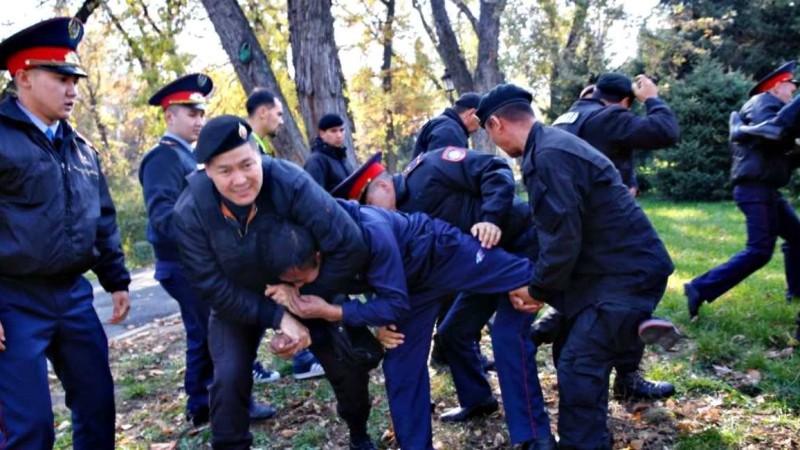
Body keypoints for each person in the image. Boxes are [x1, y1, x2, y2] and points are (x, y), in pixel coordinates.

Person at [263, 201, 556, 450]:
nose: (299, 288)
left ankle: (538, 437)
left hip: (440, 252)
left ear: (318, 256)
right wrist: (284, 329)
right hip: (408, 290)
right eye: (294, 283)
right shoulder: (303, 244)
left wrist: (336, 312)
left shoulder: (372, 231)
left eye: (302, 281)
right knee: (400, 363)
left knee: (527, 278)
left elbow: (389, 302)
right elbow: (367, 288)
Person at [476, 83, 675, 449]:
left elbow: (562, 236)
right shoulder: (549, 145)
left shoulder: (548, 155)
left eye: (488, 134)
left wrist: (537, 290)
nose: (494, 144)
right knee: (569, 349)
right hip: (612, 274)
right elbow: (561, 232)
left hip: (625, 278)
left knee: (579, 367)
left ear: (495, 123)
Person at [173, 115, 372, 450]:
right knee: (229, 377)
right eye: (224, 171)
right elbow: (210, 287)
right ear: (207, 170)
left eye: (247, 165)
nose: (240, 180)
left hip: (306, 286)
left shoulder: (290, 182)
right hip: (238, 298)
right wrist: (279, 316)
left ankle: (359, 432)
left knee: (347, 364)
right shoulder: (190, 211)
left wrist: (304, 298)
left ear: (258, 155)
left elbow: (349, 245)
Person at [331, 151, 553, 448]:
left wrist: (492, 218)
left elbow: (494, 168)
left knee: (507, 335)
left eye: (368, 204)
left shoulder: (430, 170)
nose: (368, 213)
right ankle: (477, 399)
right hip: (460, 273)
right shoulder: (383, 225)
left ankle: (534, 437)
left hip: (518, 245)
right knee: (451, 332)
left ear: (382, 187)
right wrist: (384, 320)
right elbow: (377, 266)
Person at [0, 17, 131, 449]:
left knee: (97, 406)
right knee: (29, 426)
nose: (72, 90)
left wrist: (116, 279)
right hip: (12, 299)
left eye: (75, 79)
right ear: (23, 78)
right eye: (60, 79)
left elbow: (102, 217)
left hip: (73, 295)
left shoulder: (81, 146)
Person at [139, 75, 279, 428]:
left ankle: (202, 404)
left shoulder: (193, 156)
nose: (199, 120)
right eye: (191, 112)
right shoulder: (162, 159)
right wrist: (209, 239)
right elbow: (163, 218)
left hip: (196, 263)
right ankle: (230, 405)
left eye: (202, 112)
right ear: (170, 115)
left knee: (202, 333)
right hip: (185, 265)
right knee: (218, 334)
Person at [538, 72, 681, 401]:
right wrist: (653, 99)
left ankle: (552, 326)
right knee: (639, 285)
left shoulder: (566, 118)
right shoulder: (609, 115)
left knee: (593, 293)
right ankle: (627, 378)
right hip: (608, 227)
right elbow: (665, 132)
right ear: (625, 101)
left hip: (570, 224)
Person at [685, 62, 800, 337]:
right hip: (755, 189)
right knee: (759, 250)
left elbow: (778, 149)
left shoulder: (766, 105)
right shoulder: (762, 103)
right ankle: (699, 287)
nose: (794, 91)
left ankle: (795, 292)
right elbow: (773, 136)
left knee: (797, 238)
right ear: (777, 86)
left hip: (765, 188)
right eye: (791, 87)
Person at [245, 88, 324, 380]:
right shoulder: (248, 148)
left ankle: (295, 355)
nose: (281, 121)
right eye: (279, 113)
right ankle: (300, 357)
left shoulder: (259, 147)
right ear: (262, 112)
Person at [413, 92, 481, 157]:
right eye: (480, 121)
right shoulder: (449, 131)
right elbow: (443, 166)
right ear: (471, 113)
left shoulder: (442, 125)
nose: (479, 126)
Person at [304, 113, 354, 192]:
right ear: (322, 134)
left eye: (341, 130)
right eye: (333, 131)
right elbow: (314, 196)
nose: (339, 135)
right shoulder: (316, 161)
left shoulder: (342, 157)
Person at [244, 88, 284, 157]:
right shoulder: (245, 149)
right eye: (278, 114)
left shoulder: (252, 145)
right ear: (263, 112)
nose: (281, 122)